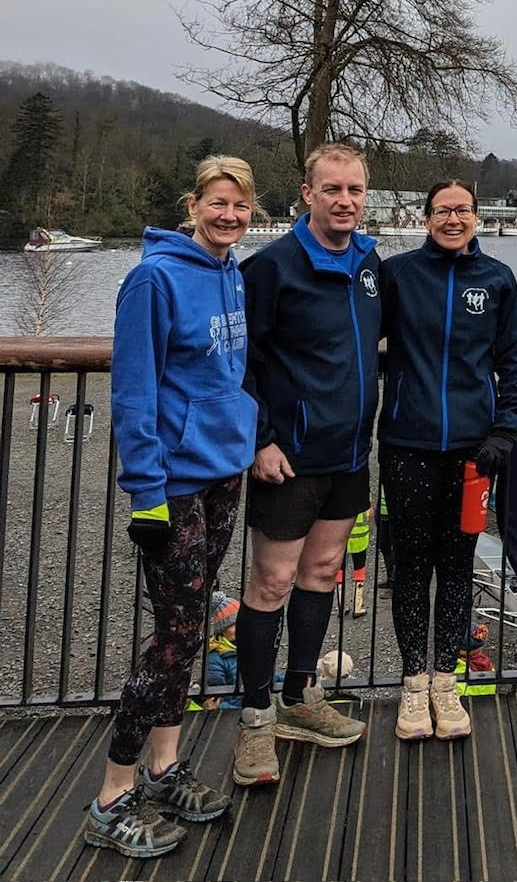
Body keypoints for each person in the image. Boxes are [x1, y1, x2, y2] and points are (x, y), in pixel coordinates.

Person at [86, 155, 258, 858]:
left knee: (189, 630)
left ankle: (163, 766)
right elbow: (133, 389)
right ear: (194, 205)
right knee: (175, 637)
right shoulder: (153, 279)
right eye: (217, 202)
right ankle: (111, 796)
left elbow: (229, 372)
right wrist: (146, 493)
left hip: (223, 473)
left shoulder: (232, 273)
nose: (229, 215)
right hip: (174, 483)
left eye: (240, 205)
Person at [233, 142, 380, 787]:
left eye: (354, 190)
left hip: (350, 453)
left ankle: (299, 698)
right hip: (288, 456)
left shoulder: (370, 263)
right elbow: (242, 359)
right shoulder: (272, 267)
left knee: (322, 572)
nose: (344, 201)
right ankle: (255, 718)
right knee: (271, 582)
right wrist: (261, 438)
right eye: (332, 190)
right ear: (307, 193)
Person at [379, 180, 517, 741]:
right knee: (411, 566)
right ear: (426, 218)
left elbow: (513, 361)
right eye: (442, 210)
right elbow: (351, 334)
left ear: (476, 218)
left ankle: (447, 680)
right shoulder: (397, 274)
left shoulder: (497, 279)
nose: (452, 219)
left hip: (473, 449)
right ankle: (413, 684)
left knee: (459, 564)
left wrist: (505, 430)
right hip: (407, 444)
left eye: (462, 210)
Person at [334, 507, 371, 618]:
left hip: (341, 538)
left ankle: (341, 606)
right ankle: (357, 607)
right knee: (359, 570)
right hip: (360, 538)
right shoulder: (363, 497)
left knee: (339, 570)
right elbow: (369, 513)